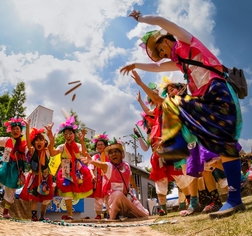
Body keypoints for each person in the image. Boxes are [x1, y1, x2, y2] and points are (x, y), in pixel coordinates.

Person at [120, 10, 245, 218]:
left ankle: (233, 198)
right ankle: (178, 146)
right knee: (172, 104)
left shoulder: (187, 41)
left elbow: (161, 21)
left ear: (168, 38)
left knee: (223, 143)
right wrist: (136, 65)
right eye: (160, 53)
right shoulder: (178, 61)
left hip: (217, 89)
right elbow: (157, 67)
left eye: (162, 47)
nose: (163, 53)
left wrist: (140, 18)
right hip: (203, 99)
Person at [85, 138, 149, 220]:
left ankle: (127, 212)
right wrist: (92, 161)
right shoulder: (108, 166)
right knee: (117, 195)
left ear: (122, 154)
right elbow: (102, 165)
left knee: (145, 214)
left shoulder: (127, 166)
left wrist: (135, 189)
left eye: (116, 152)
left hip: (127, 197)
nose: (113, 154)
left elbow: (130, 178)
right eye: (111, 153)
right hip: (113, 198)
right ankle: (112, 217)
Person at [49, 116, 93, 220]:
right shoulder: (62, 146)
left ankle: (72, 213)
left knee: (78, 187)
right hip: (65, 168)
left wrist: (82, 141)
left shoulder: (78, 145)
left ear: (74, 134)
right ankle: (70, 215)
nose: (68, 136)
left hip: (77, 169)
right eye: (65, 134)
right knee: (67, 191)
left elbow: (84, 153)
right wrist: (51, 141)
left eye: (70, 133)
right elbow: (52, 153)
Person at [0, 117, 27, 219]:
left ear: (21, 131)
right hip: (5, 163)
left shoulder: (24, 143)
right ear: (10, 130)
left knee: (10, 189)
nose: (15, 131)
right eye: (13, 129)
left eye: (17, 129)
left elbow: (29, 153)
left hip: (16, 168)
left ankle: (5, 212)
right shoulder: (7, 140)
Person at [19, 120, 54, 221]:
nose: (39, 142)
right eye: (37, 140)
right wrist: (27, 126)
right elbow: (28, 142)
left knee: (46, 199)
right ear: (34, 143)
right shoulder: (32, 150)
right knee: (34, 197)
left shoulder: (47, 151)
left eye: (41, 140)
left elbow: (52, 143)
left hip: (46, 177)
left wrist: (50, 132)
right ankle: (34, 216)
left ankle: (42, 216)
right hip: (34, 177)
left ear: (44, 142)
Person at [88, 132, 110, 219]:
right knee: (98, 198)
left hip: (108, 178)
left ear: (105, 145)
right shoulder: (95, 157)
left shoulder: (109, 155)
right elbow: (91, 168)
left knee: (109, 196)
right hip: (99, 179)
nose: (100, 146)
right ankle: (98, 215)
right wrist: (93, 176)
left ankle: (109, 213)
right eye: (98, 145)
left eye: (101, 144)